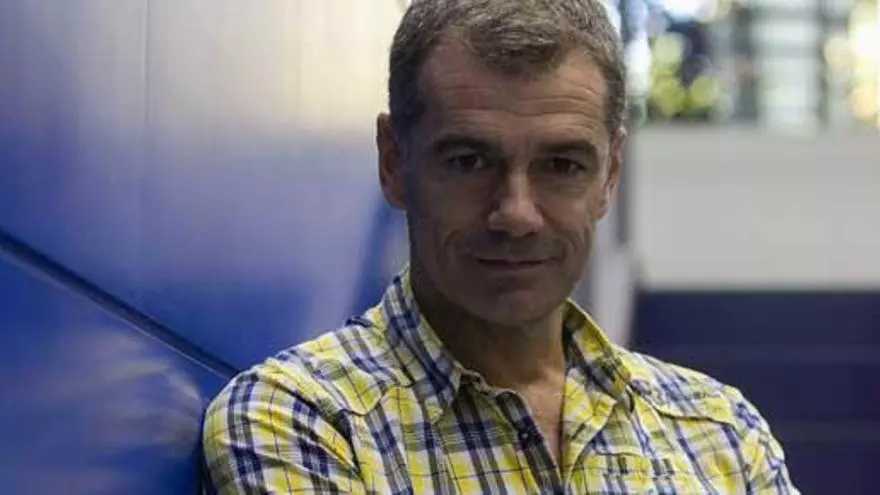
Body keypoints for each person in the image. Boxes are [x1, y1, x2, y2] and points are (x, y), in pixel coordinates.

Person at [202, 0, 798, 493]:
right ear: (393, 163)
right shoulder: (299, 421)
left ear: (610, 175)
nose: (516, 213)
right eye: (469, 160)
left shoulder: (719, 433)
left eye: (561, 165)